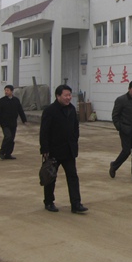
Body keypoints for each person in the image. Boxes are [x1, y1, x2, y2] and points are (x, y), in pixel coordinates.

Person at [39, 84, 88, 213]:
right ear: (58, 96)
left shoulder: (72, 109)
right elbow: (44, 132)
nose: (68, 98)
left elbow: (75, 127)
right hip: (53, 151)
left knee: (73, 177)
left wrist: (74, 140)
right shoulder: (50, 111)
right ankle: (49, 202)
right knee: (51, 177)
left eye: (70, 95)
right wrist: (44, 149)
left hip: (69, 150)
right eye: (66, 95)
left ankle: (76, 204)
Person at [110, 80, 132, 182]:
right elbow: (115, 116)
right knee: (126, 151)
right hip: (125, 130)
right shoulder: (121, 100)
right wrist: (120, 127)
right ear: (129, 89)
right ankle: (114, 166)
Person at [0, 84, 27, 160]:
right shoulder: (1, 101)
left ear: (12, 91)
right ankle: (2, 152)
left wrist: (24, 120)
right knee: (8, 137)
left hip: (13, 123)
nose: (6, 92)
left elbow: (20, 110)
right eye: (5, 90)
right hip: (4, 123)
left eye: (8, 90)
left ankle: (8, 154)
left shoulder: (16, 100)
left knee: (11, 139)